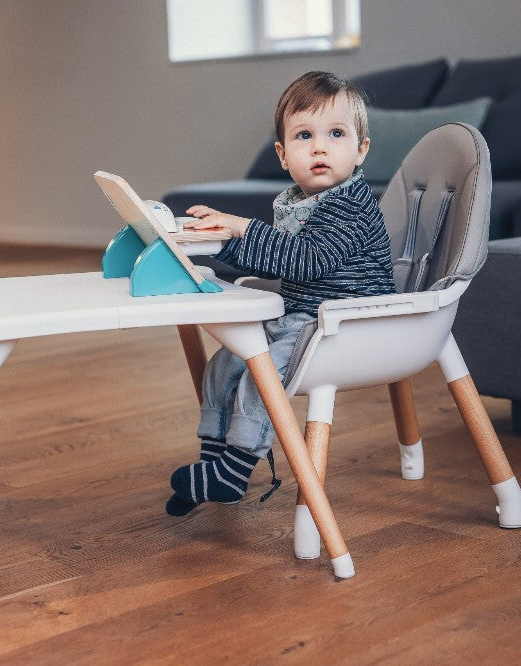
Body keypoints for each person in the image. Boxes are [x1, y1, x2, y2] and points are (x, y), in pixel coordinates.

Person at [166, 71, 396, 517]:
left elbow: (305, 260)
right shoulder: (300, 202)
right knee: (226, 362)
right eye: (304, 135)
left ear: (360, 149)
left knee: (261, 373)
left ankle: (233, 473)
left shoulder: (351, 203)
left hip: (345, 325)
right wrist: (219, 240)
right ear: (283, 155)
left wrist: (242, 227)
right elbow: (279, 258)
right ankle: (214, 465)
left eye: (336, 133)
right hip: (303, 315)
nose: (320, 147)